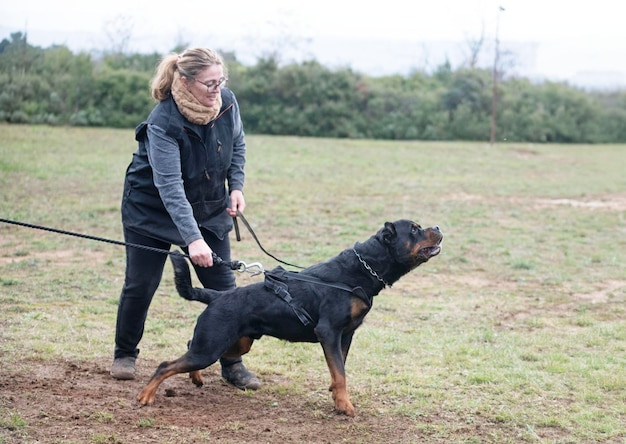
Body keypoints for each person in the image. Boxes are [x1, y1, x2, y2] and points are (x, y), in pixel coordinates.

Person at [110, 47, 260, 390]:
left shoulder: (227, 102)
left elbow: (237, 144)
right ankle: (125, 352)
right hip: (151, 208)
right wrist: (193, 240)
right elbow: (169, 186)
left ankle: (231, 362)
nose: (216, 90)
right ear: (185, 81)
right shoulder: (162, 123)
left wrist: (236, 186)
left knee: (224, 290)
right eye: (209, 83)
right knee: (141, 283)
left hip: (208, 204)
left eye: (220, 81)